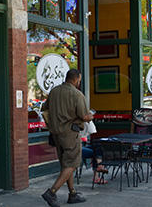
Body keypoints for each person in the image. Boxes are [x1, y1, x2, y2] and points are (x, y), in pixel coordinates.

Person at [41, 69, 93, 206]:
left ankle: (72, 193)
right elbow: (83, 116)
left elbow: (44, 108)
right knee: (72, 163)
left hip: (56, 133)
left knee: (66, 164)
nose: (79, 82)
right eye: (79, 80)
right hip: (70, 133)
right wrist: (91, 116)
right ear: (76, 79)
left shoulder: (54, 92)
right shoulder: (77, 95)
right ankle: (51, 192)